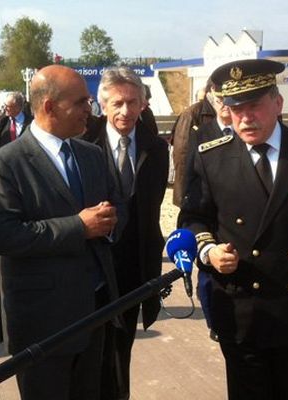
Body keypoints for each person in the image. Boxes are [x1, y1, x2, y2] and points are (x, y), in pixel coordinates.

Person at [178, 59, 288, 400]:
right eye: (235, 108)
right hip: (240, 306)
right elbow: (192, 218)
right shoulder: (210, 157)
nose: (244, 117)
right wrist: (209, 251)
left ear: (277, 102)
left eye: (254, 106)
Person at [0, 65, 123, 400]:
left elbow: (116, 205)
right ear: (49, 107)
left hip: (94, 312)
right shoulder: (6, 164)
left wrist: (110, 221)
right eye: (81, 102)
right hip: (42, 321)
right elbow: (2, 235)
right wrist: (79, 227)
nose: (90, 109)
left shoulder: (90, 154)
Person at [82, 67, 169, 400]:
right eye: (118, 103)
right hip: (92, 267)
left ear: (144, 104)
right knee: (91, 351)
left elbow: (151, 208)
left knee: (121, 349)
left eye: (133, 102)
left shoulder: (155, 149)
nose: (126, 111)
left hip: (135, 267)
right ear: (103, 105)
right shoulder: (83, 143)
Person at [178, 81, 234, 343]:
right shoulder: (201, 132)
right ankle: (215, 321)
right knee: (208, 276)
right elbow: (184, 166)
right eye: (220, 98)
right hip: (207, 214)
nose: (225, 104)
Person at [170, 80, 216, 206]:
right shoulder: (191, 114)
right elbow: (182, 153)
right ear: (211, 90)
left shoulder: (228, 111)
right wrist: (184, 191)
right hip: (197, 183)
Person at [0, 91, 33, 156]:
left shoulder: (31, 122)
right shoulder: (2, 121)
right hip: (5, 161)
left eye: (7, 106)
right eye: (4, 105)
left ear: (17, 107)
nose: (5, 108)